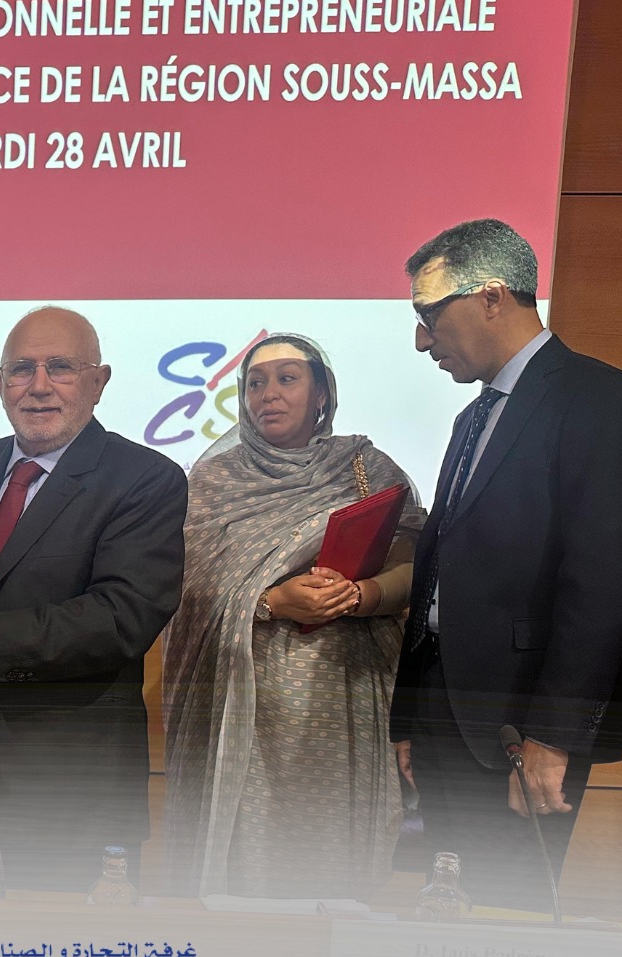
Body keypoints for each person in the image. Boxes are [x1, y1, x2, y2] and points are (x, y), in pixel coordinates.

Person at [391, 218, 622, 910]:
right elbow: (439, 569)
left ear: (490, 297)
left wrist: (554, 734)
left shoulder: (602, 401)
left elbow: (604, 583)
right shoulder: (472, 419)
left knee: (504, 930)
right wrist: (410, 718)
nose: (421, 340)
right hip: (445, 716)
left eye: (430, 315)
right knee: (441, 919)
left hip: (522, 721)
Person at [0, 307, 186, 891]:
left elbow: (124, 617)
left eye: (60, 367)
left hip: (69, 790)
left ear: (99, 382)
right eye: (21, 369)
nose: (38, 386)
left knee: (58, 946)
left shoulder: (146, 478)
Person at [160, 333, 426, 899]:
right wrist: (271, 602)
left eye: (287, 379)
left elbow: (414, 567)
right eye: (255, 383)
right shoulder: (214, 480)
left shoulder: (366, 467)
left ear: (322, 394)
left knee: (330, 860)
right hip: (242, 703)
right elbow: (187, 590)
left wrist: (359, 595)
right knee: (245, 862)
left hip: (342, 694)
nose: (269, 394)